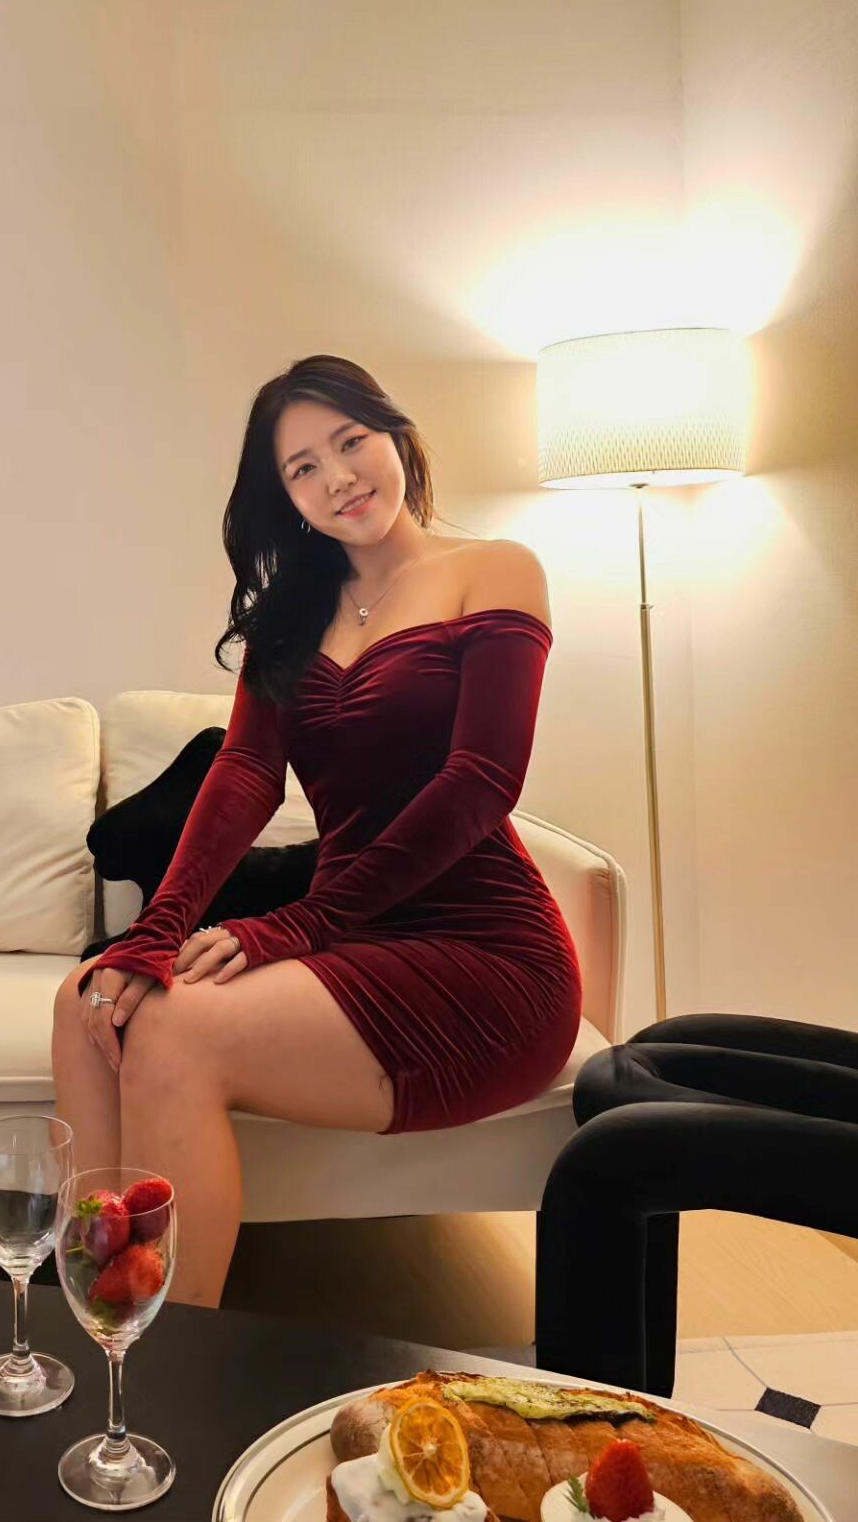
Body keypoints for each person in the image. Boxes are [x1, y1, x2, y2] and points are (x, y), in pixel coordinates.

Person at [50, 354, 583, 1307]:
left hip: (485, 953)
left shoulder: (494, 571)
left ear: (396, 437)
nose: (338, 477)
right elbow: (247, 775)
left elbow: (481, 782)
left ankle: (172, 1362)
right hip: (353, 938)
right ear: (286, 497)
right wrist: (157, 931)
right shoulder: (288, 620)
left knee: (171, 1031)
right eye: (303, 467)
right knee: (89, 999)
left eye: (351, 442)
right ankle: (108, 1322)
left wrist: (296, 925)